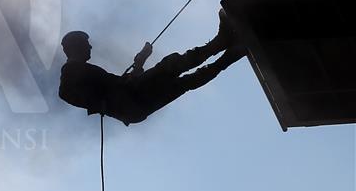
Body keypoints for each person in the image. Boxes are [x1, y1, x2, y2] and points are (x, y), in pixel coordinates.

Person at [58, 10, 246, 125]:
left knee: (183, 81)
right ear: (75, 46)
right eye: (85, 43)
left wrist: (140, 62)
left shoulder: (81, 70)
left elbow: (124, 83)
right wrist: (101, 103)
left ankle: (230, 55)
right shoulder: (71, 71)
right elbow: (66, 94)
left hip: (134, 105)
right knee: (171, 66)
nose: (90, 47)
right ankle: (221, 44)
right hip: (132, 100)